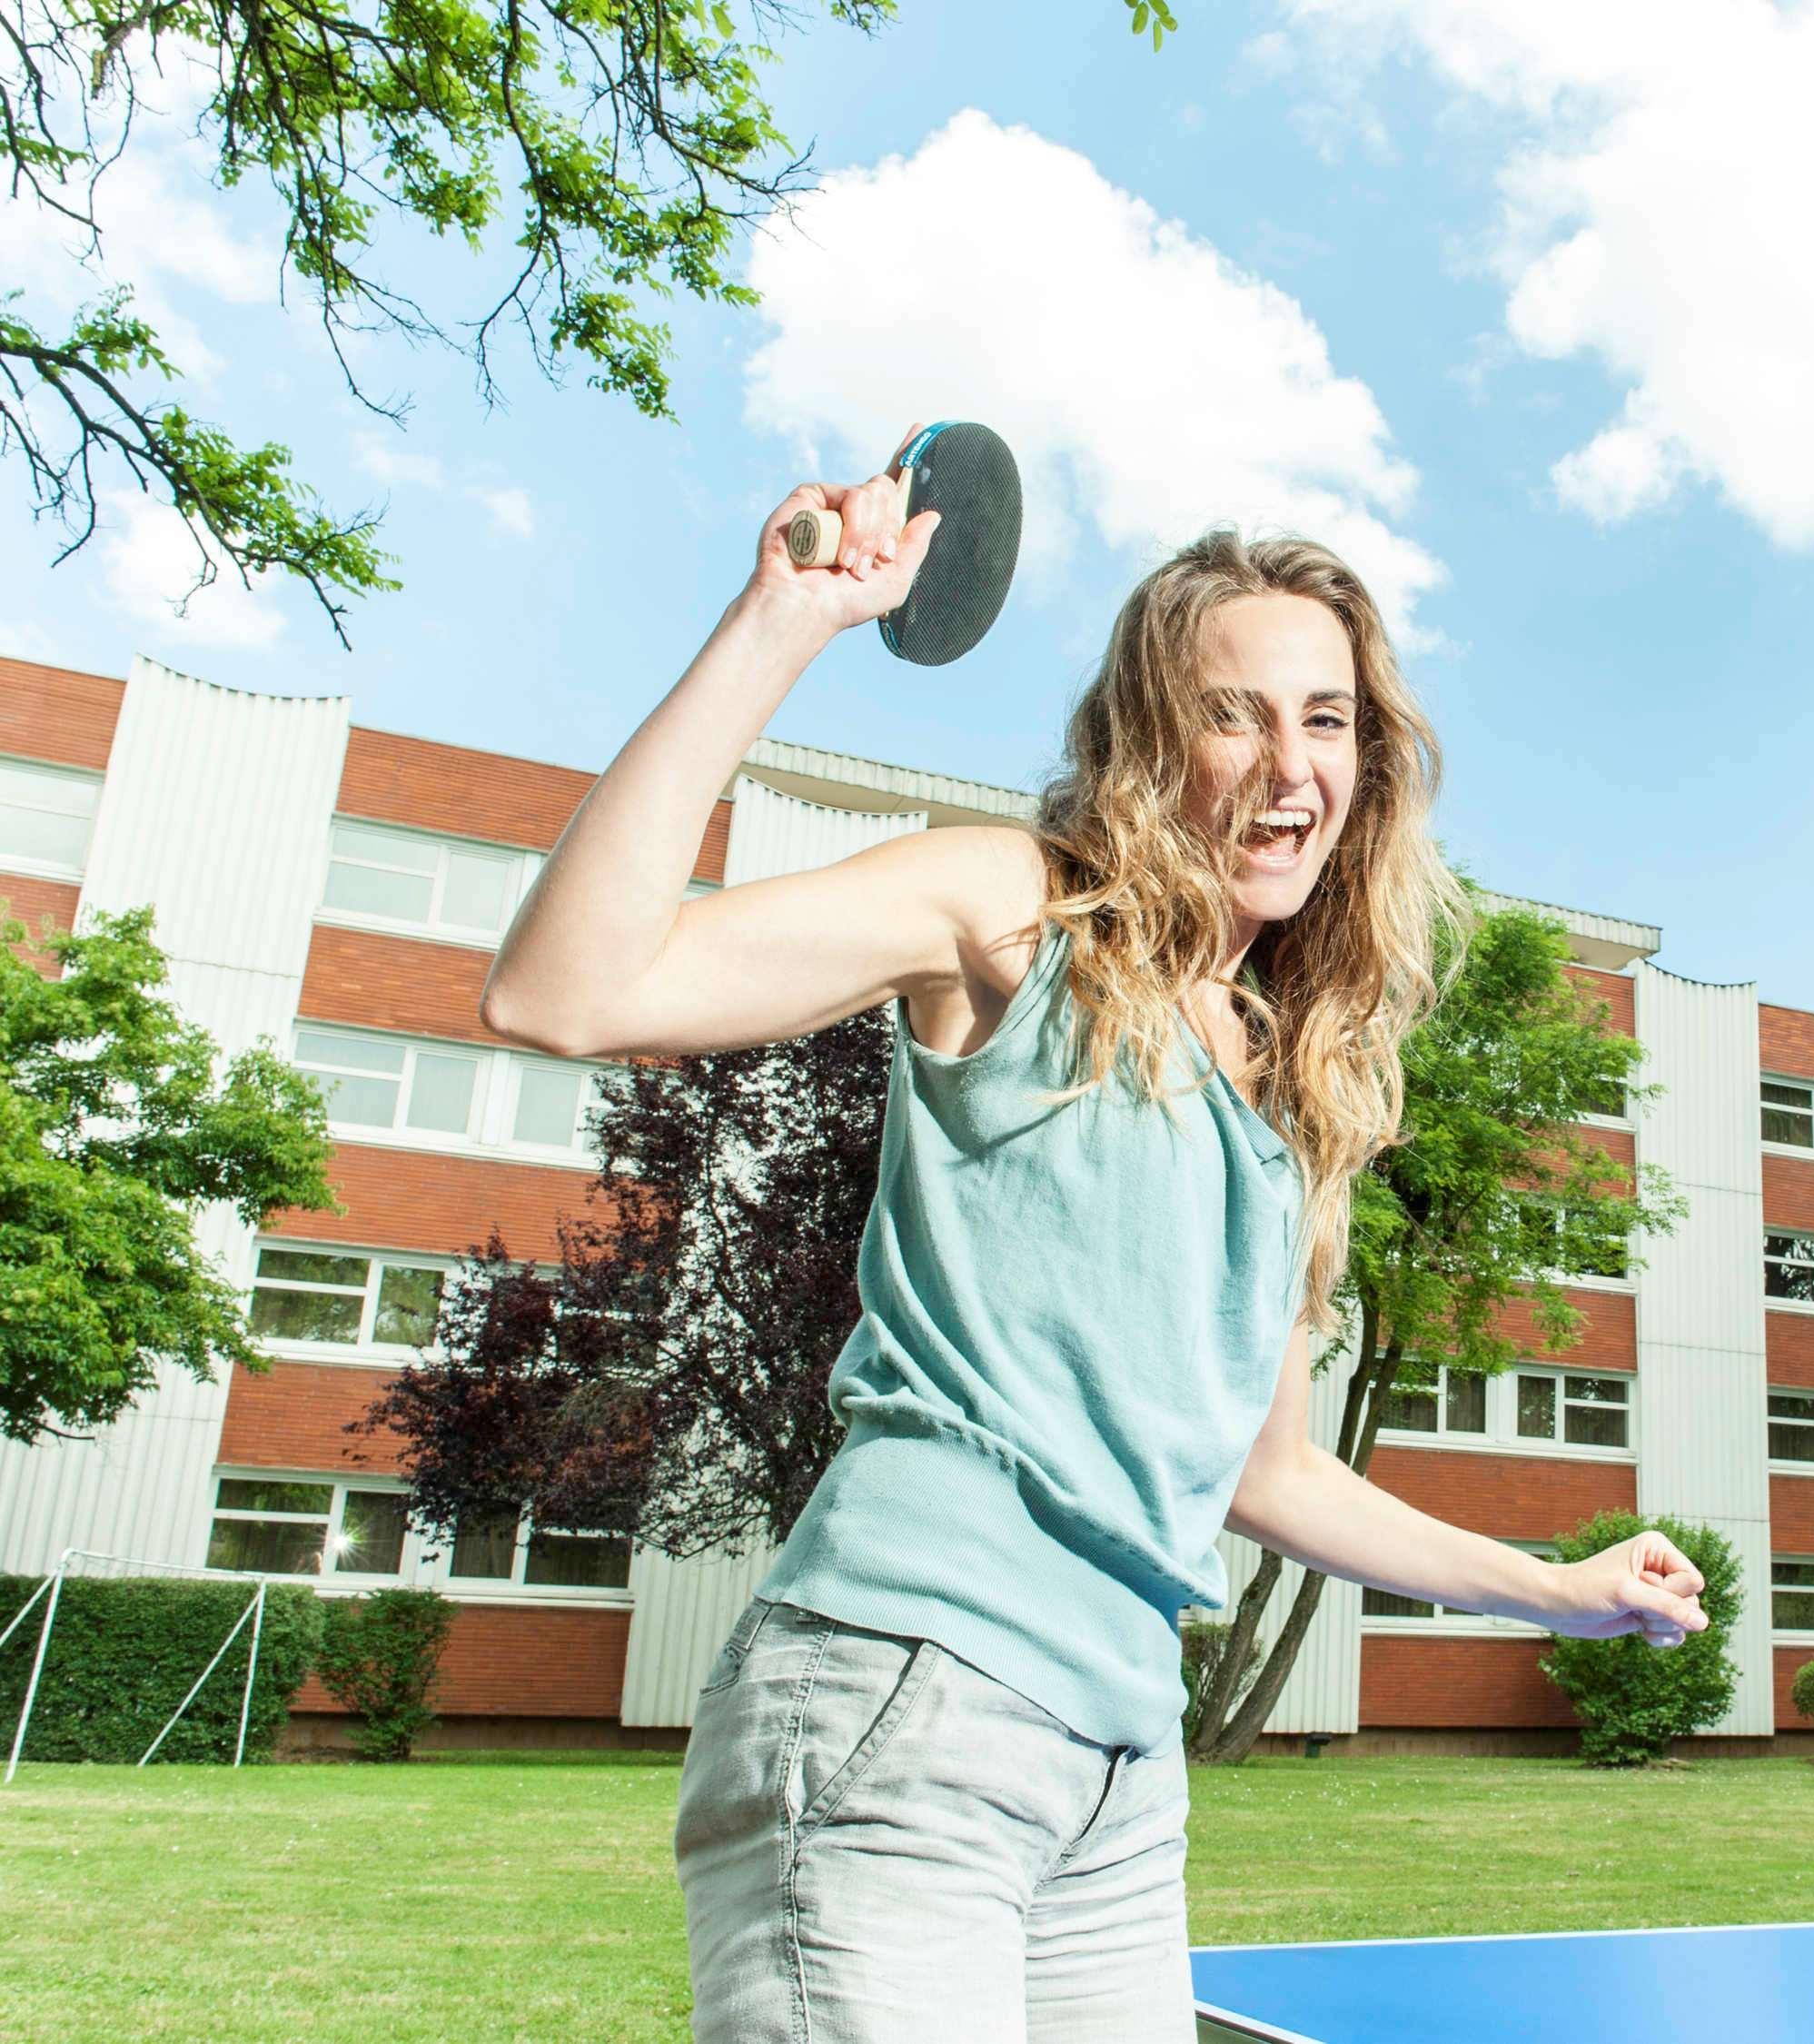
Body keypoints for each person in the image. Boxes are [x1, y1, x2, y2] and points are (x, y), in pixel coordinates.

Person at [480, 429, 1713, 2043]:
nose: (1291, 763)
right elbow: (563, 990)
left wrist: (1555, 1589)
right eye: (1236, 711)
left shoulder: (1292, 1092)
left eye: (1327, 718)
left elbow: (1264, 1475)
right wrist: (780, 623)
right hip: (905, 1701)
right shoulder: (1015, 912)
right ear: (1151, 736)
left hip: (1125, 1768)